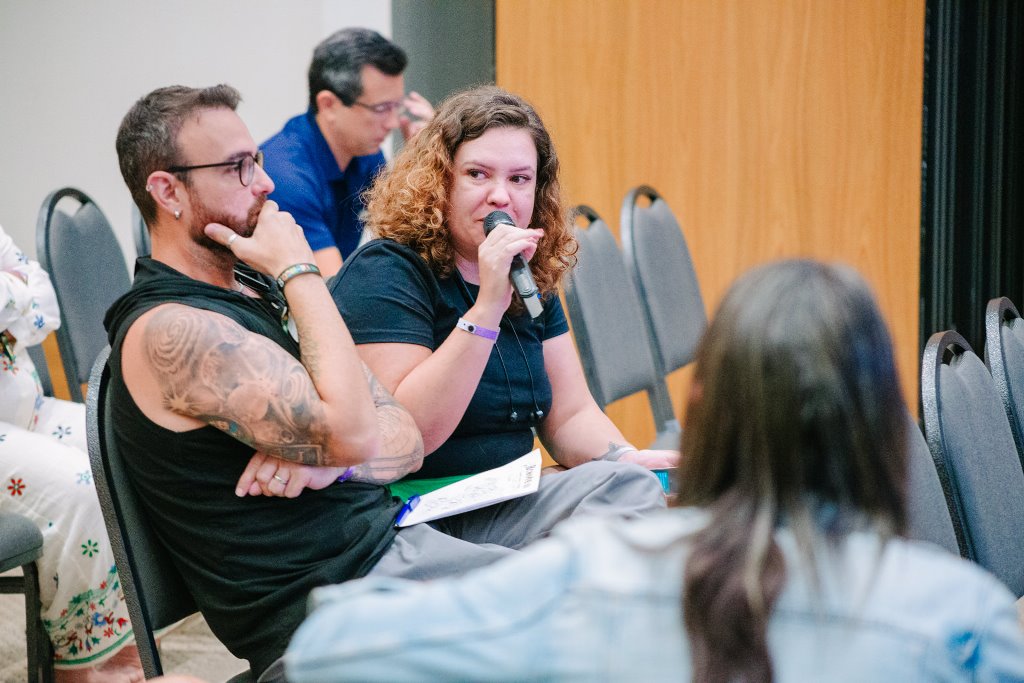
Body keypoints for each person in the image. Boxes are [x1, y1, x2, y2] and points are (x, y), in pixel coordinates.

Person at [108, 84, 665, 682]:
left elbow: (400, 438)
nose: (265, 183)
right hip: (333, 610)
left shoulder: (249, 295)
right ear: (167, 191)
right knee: (587, 617)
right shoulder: (172, 330)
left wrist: (334, 459)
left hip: (383, 559)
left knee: (615, 569)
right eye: (237, 168)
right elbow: (360, 431)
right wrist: (298, 271)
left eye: (258, 162)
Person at [285, 260, 1024, 682]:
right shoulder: (958, 618)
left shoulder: (586, 577)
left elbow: (326, 651)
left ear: (701, 411)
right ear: (885, 431)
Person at [330, 86, 677, 498]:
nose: (501, 196)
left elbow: (570, 414)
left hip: (508, 494)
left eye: (519, 179)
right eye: (477, 174)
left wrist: (624, 458)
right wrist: (487, 308)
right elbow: (408, 438)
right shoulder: (385, 270)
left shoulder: (527, 271)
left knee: (630, 486)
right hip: (419, 505)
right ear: (439, 182)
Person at [1, 224, 142, 682]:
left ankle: (133, 640)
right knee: (80, 485)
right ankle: (82, 664)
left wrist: (11, 300)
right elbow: (25, 296)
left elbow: (46, 310)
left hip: (25, 408)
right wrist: (15, 292)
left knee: (122, 445)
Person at [261, 27, 434, 276]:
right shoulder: (286, 177)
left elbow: (410, 234)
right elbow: (330, 289)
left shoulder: (365, 153)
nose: (394, 123)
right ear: (328, 105)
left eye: (397, 106)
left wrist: (428, 158)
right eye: (381, 108)